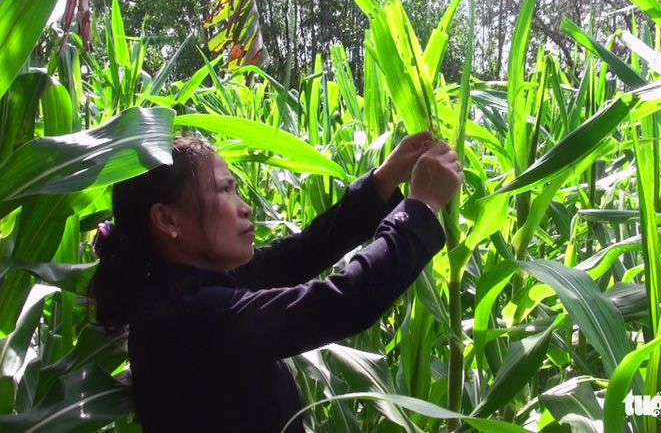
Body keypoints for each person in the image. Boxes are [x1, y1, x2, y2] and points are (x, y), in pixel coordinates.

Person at [90, 131, 463, 433]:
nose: (244, 205)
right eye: (224, 190)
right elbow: (344, 302)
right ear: (167, 220)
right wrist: (421, 208)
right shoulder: (190, 316)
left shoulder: (179, 288)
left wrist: (383, 180)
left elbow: (300, 254)